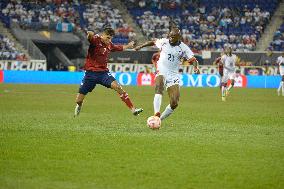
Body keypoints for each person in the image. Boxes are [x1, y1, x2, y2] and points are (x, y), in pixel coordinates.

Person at [74, 27, 143, 117]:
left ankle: (133, 110)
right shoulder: (96, 40)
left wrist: (129, 46)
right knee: (78, 100)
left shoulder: (109, 45)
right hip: (90, 74)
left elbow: (120, 48)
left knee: (118, 87)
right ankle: (79, 106)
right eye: (107, 37)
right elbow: (90, 37)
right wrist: (90, 33)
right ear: (103, 35)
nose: (109, 40)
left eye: (110, 38)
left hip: (103, 73)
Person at [134, 27, 199, 121]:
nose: (171, 38)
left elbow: (193, 60)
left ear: (178, 37)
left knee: (174, 102)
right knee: (159, 86)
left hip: (173, 75)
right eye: (170, 36)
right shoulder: (164, 41)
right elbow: (153, 42)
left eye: (173, 37)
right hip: (161, 70)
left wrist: (196, 67)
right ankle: (156, 113)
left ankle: (159, 119)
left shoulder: (184, 48)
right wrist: (140, 46)